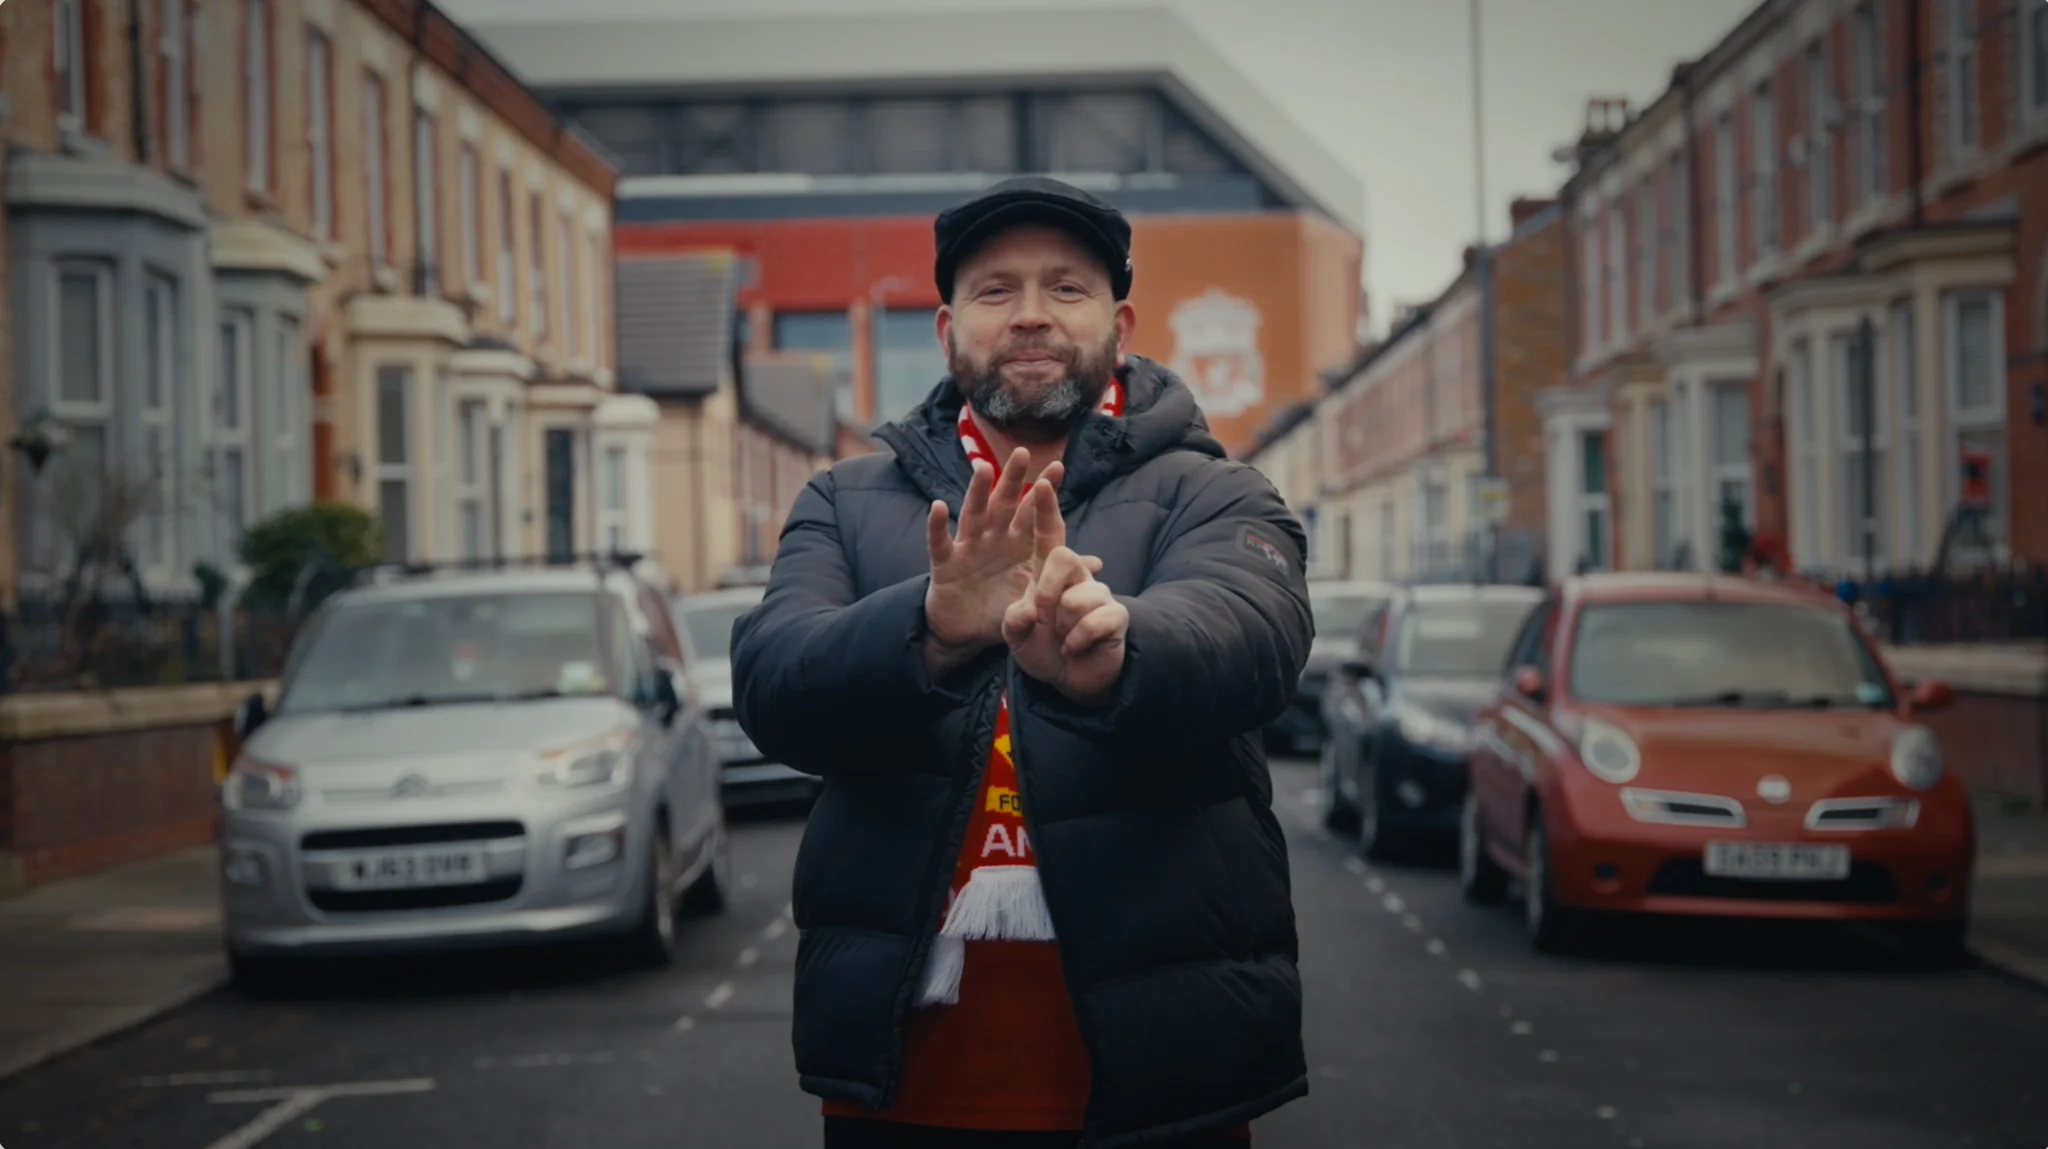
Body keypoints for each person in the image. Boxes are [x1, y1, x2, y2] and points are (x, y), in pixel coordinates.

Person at [730, 176, 1314, 1149]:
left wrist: (1113, 651)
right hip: (902, 1086)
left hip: (1165, 1082)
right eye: (995, 290)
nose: (1031, 314)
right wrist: (929, 625)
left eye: (1066, 287)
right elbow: (772, 683)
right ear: (947, 329)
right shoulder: (843, 500)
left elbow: (1253, 634)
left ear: (1121, 327)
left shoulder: (1215, 493)